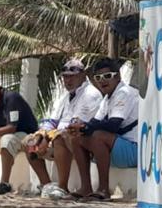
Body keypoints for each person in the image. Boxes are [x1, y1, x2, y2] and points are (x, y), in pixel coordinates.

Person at [24, 59, 103, 199]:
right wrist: (41, 136)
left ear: (83, 75)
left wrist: (49, 137)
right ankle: (46, 185)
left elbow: (75, 125)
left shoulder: (91, 94)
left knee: (61, 137)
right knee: (29, 142)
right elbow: (51, 121)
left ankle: (62, 187)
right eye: (65, 77)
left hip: (80, 141)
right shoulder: (65, 96)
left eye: (72, 76)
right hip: (56, 139)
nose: (68, 80)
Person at [76, 58, 139, 200]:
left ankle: (104, 190)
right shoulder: (107, 99)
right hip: (118, 148)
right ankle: (85, 187)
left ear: (118, 77)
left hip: (135, 149)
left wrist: (86, 127)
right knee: (76, 137)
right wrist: (80, 128)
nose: (102, 80)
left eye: (107, 76)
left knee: (98, 136)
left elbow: (113, 125)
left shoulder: (124, 93)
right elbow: (94, 122)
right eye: (98, 78)